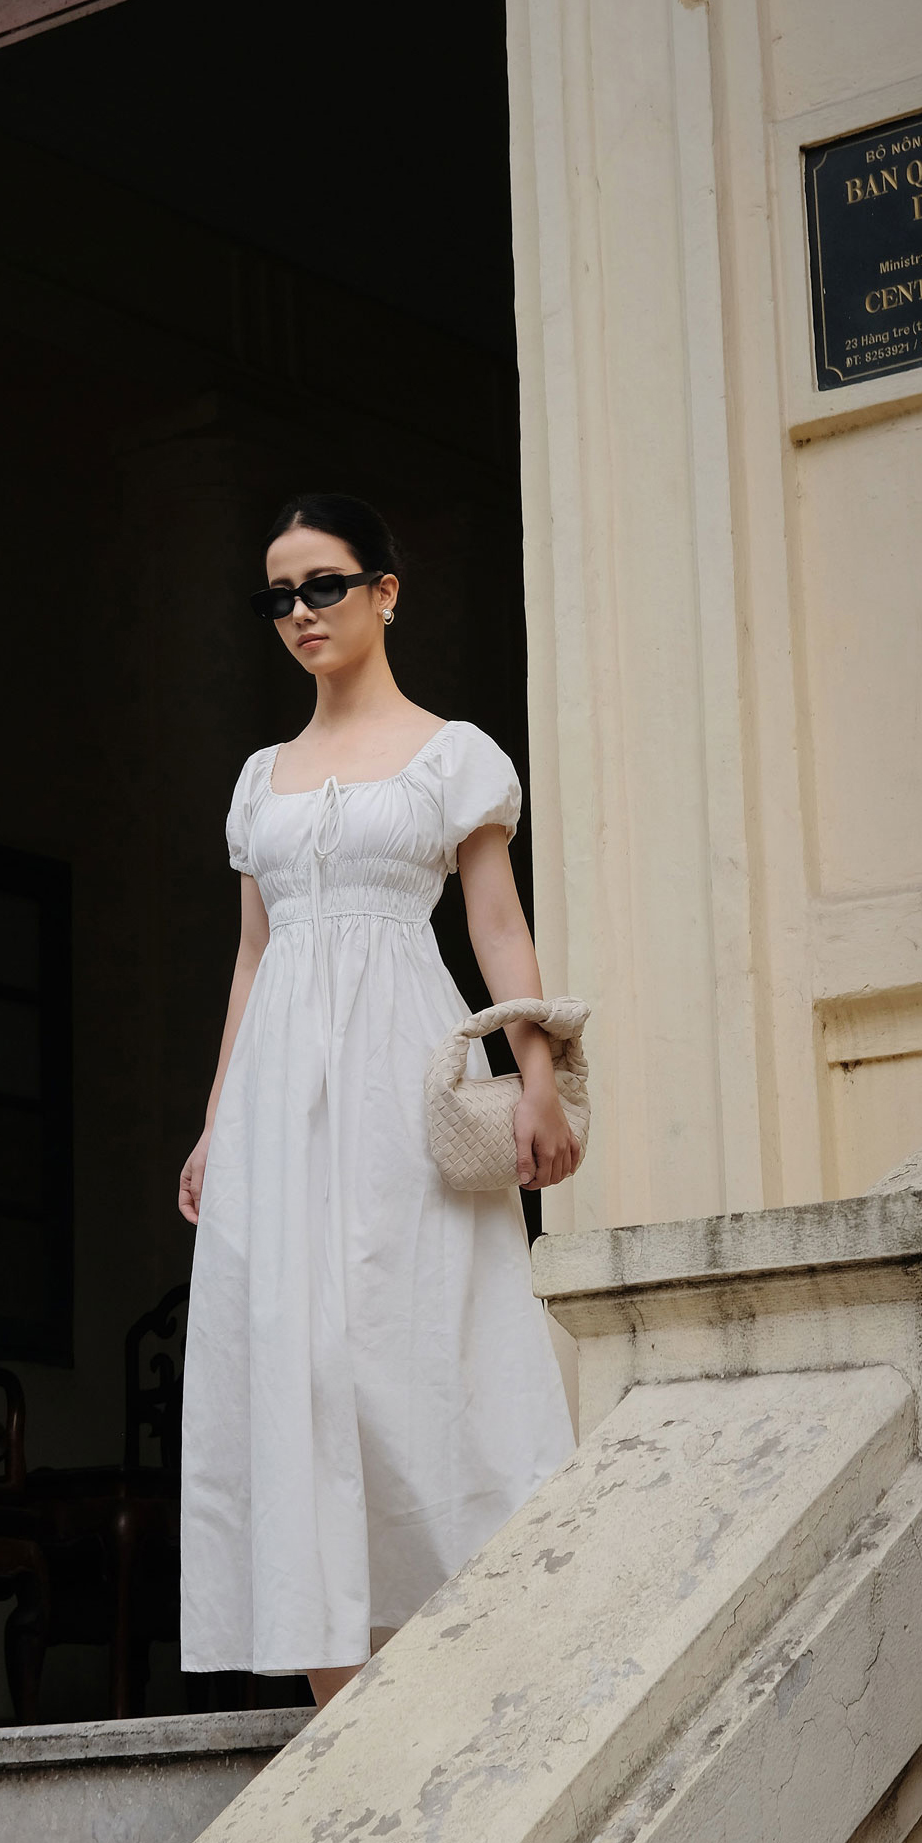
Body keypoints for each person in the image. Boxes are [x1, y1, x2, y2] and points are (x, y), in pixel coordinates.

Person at [177, 493, 578, 1708]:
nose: (301, 613)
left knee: (413, 1351)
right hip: (274, 1102)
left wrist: (539, 1074)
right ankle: (343, 1708)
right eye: (279, 596)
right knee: (290, 1364)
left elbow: (497, 926)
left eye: (324, 585)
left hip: (404, 1079)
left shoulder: (454, 756)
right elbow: (251, 957)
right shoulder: (260, 779)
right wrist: (215, 1121)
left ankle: (482, 1664)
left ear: (384, 592)